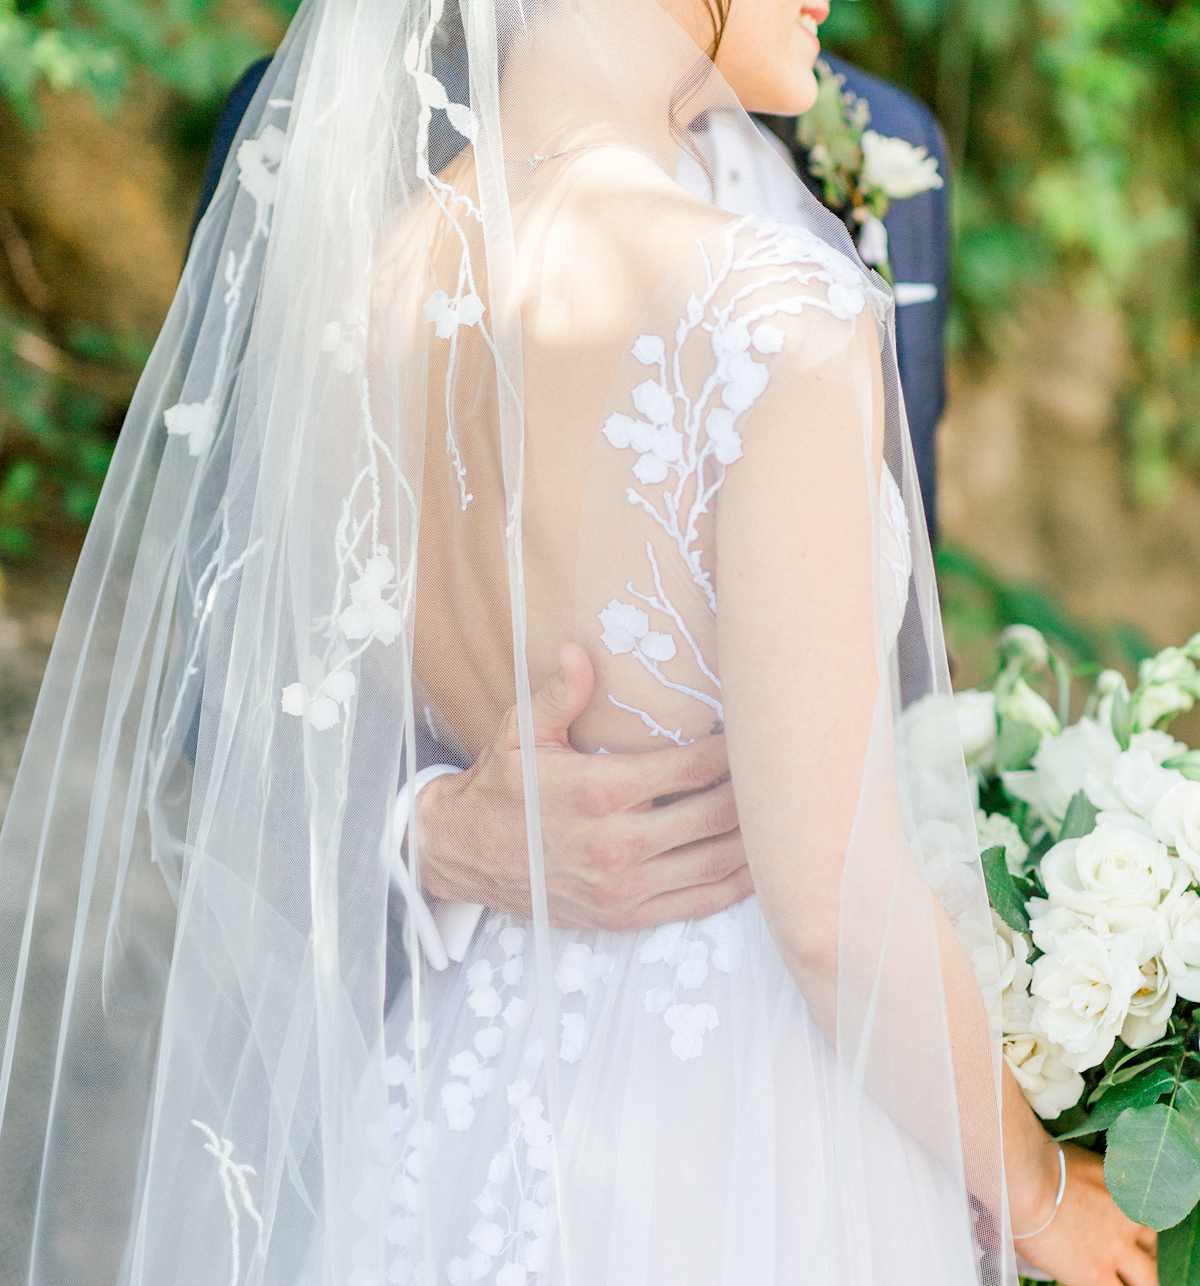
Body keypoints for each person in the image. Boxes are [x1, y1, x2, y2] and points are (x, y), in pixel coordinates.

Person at [0, 0, 1157, 1286]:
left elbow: (336, 693)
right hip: (745, 1153)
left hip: (463, 1122)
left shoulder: (376, 284)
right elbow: (832, 895)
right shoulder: (772, 312)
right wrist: (1033, 1186)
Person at [183, 42, 949, 974]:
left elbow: (904, 625)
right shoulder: (326, 115)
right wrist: (428, 836)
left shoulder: (895, 148)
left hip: (847, 992)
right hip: (438, 1003)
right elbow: (222, 622)